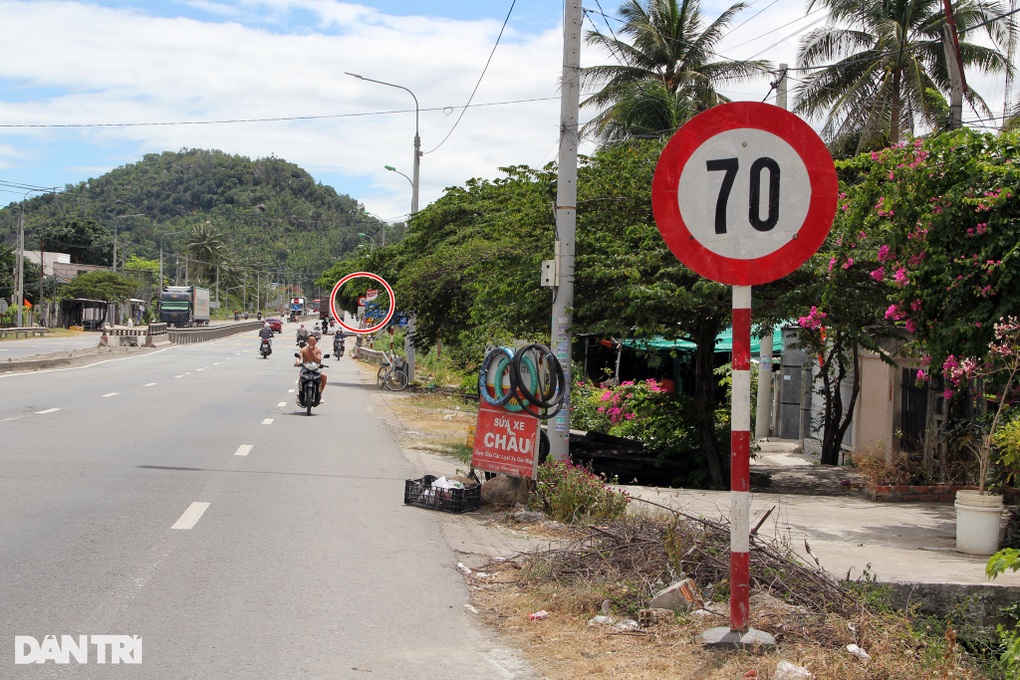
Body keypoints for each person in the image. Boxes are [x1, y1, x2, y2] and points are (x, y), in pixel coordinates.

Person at [294, 333, 326, 402]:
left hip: (315, 368)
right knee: (301, 376)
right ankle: (300, 394)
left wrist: (312, 352)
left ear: (316, 342)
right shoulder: (304, 349)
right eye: (310, 341)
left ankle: (320, 394)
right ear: (307, 341)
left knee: (324, 376)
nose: (312, 342)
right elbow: (299, 356)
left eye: (313, 341)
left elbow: (319, 359)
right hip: (306, 368)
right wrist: (297, 361)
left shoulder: (318, 350)